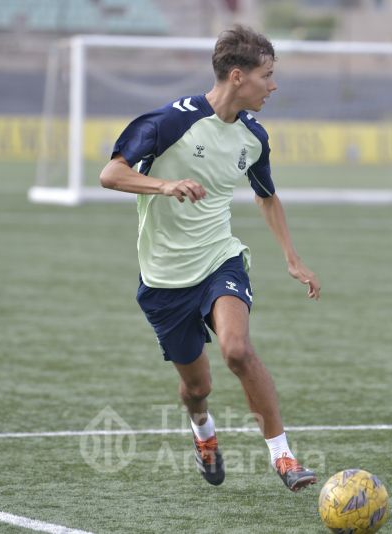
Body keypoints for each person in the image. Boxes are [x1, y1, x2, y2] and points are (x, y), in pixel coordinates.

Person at [99, 25, 321, 492]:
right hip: (163, 277)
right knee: (197, 389)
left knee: (237, 350)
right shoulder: (169, 122)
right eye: (268, 75)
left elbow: (266, 196)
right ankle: (203, 432)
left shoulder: (255, 137)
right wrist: (164, 185)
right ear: (238, 77)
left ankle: (283, 458)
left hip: (221, 259)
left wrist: (292, 258)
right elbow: (110, 173)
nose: (274, 86)